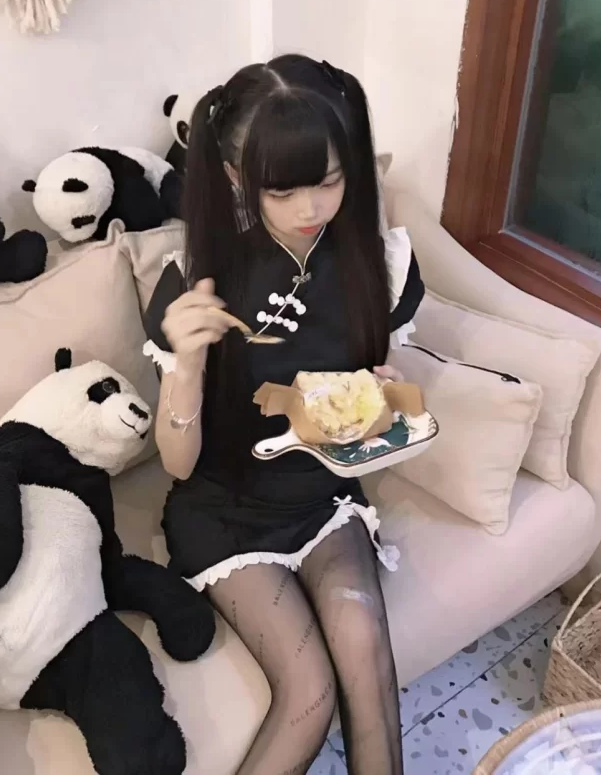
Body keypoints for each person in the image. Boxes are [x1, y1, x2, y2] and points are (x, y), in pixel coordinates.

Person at [143, 54, 424, 775]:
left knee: (365, 646)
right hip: (225, 510)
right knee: (310, 692)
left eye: (329, 181)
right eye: (284, 190)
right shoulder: (197, 283)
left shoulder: (377, 261)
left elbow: (373, 390)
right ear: (237, 178)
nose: (311, 209)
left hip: (322, 496)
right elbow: (177, 464)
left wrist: (383, 396)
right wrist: (188, 366)